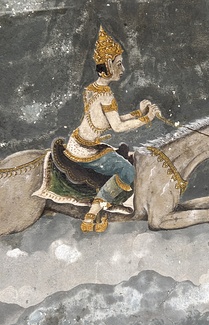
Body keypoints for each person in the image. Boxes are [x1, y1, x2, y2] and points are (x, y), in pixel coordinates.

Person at [65, 26, 160, 232]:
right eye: (118, 64)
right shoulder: (106, 95)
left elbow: (106, 120)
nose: (122, 69)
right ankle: (92, 213)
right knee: (127, 170)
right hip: (86, 151)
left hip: (78, 143)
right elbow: (117, 126)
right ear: (107, 65)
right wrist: (147, 119)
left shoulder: (92, 89)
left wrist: (138, 113)